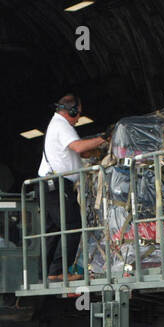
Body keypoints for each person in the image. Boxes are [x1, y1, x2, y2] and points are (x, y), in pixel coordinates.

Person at [38, 93, 107, 280]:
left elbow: (80, 153)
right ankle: (59, 271)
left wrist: (96, 150)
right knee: (73, 225)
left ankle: (47, 273)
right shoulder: (61, 125)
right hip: (57, 184)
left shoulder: (58, 125)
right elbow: (78, 147)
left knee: (54, 231)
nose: (78, 119)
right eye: (78, 114)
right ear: (72, 111)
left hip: (51, 185)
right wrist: (103, 138)